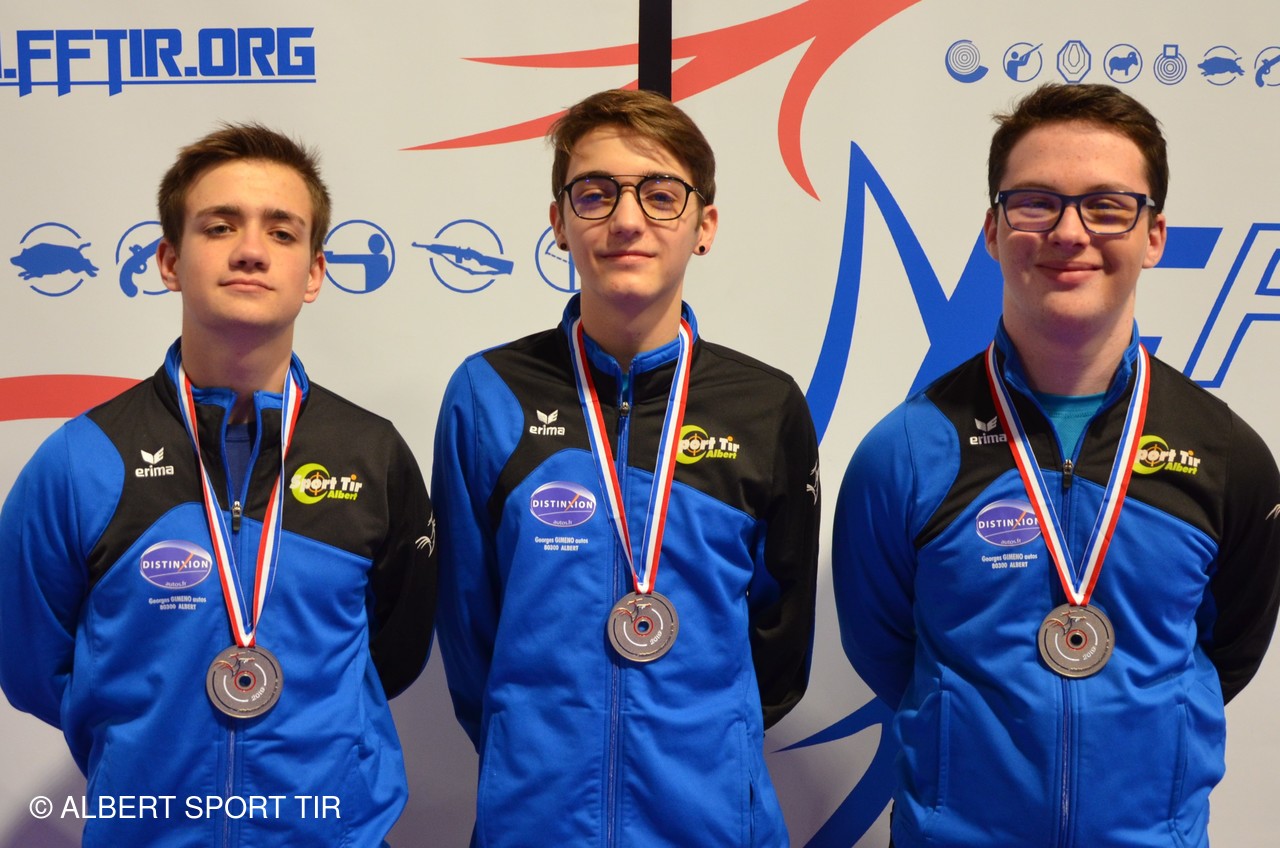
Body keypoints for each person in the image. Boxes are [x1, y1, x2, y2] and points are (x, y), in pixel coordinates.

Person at [832, 82, 1280, 847]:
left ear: (1154, 236)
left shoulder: (1227, 455)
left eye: (1106, 206)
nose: (1070, 233)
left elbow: (1224, 655)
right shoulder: (904, 452)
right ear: (993, 229)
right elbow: (887, 652)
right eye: (1036, 203)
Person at [0, 123, 437, 846]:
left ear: (314, 273)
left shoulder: (371, 454)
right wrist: (150, 740)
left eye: (282, 232)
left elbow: (394, 652)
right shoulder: (82, 459)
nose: (251, 250)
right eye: (220, 226)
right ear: (171, 260)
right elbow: (31, 667)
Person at [432, 88, 821, 846]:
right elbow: (469, 630)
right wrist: (537, 745)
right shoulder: (487, 394)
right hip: (537, 823)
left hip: (711, 825)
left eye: (661, 194)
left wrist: (700, 743)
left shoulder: (765, 404)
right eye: (596, 193)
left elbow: (779, 646)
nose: (628, 219)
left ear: (704, 225)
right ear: (559, 221)